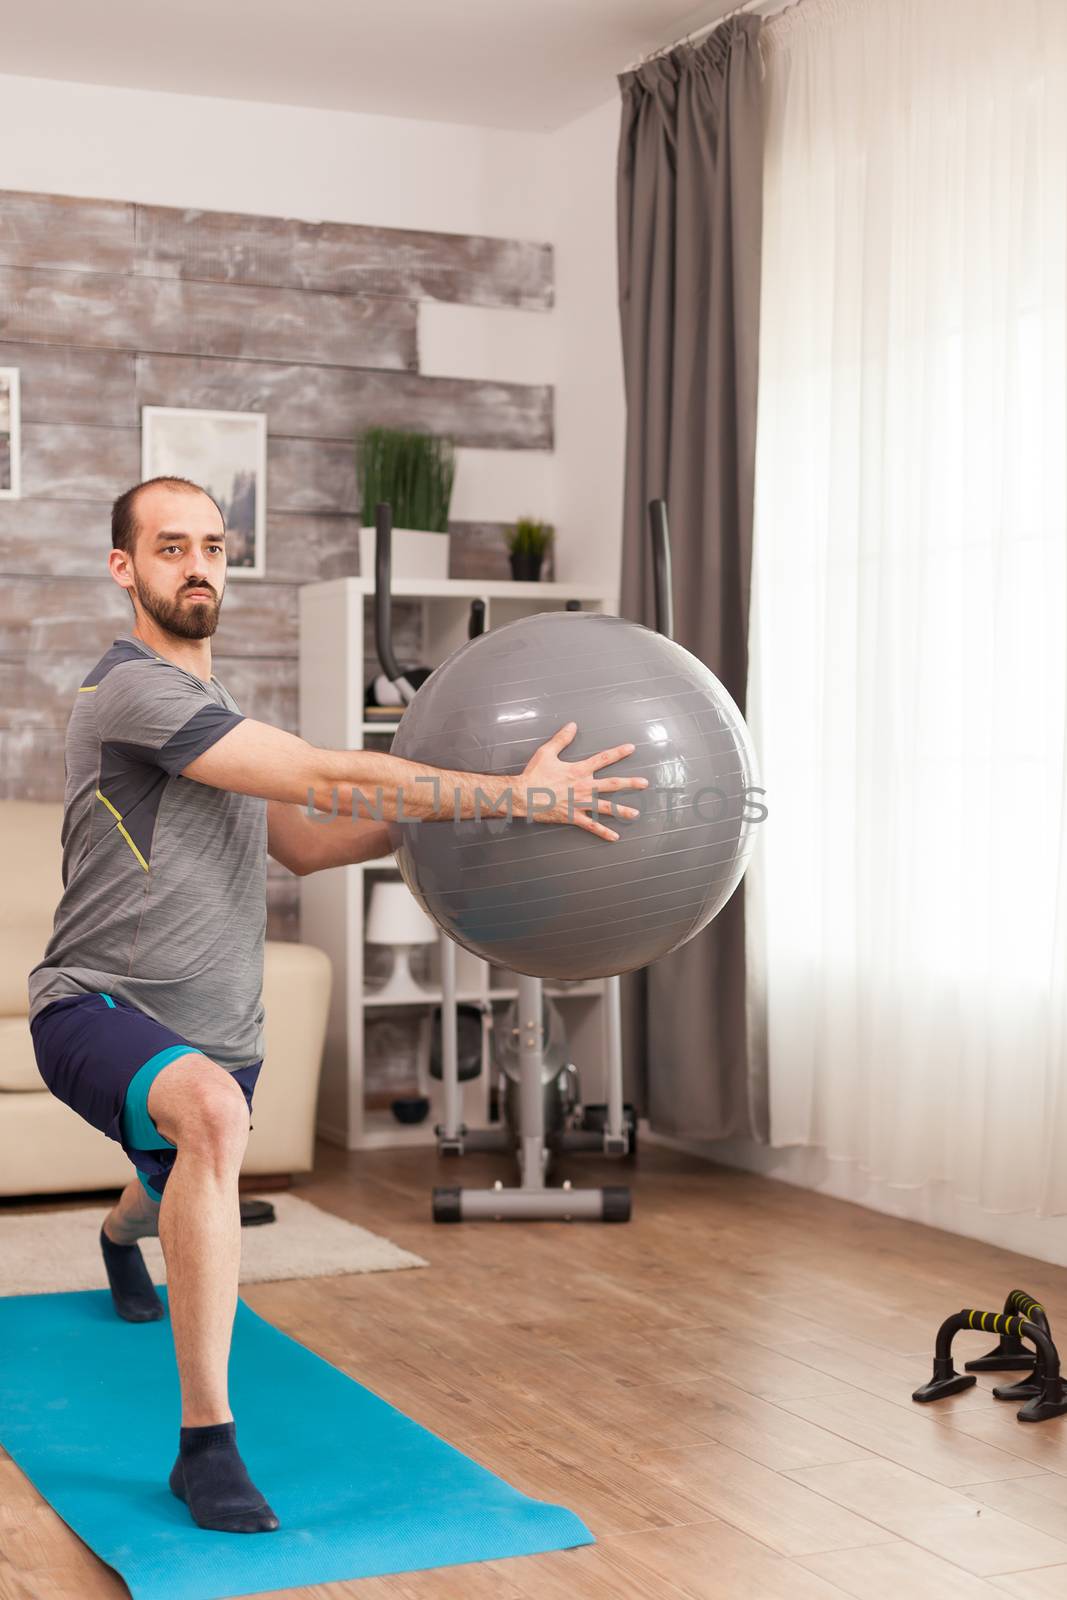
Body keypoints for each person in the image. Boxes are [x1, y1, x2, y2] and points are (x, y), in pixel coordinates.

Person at [26, 475, 648, 1536]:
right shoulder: (128, 694)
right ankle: (205, 1447)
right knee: (209, 1118)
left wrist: (481, 828)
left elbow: (308, 841)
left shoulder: (213, 717)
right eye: (170, 548)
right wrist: (505, 792)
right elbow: (319, 774)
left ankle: (119, 1236)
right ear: (125, 568)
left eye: (214, 546)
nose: (199, 566)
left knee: (171, 1175)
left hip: (218, 1032)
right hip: (93, 1003)